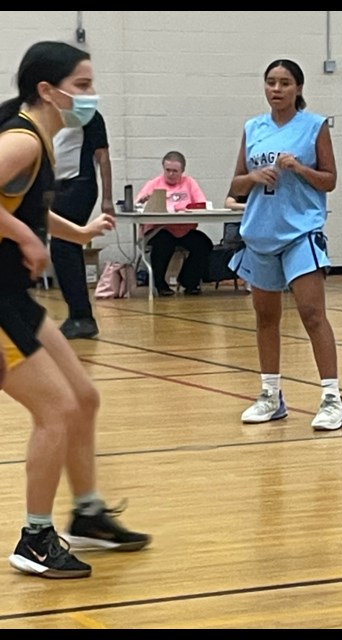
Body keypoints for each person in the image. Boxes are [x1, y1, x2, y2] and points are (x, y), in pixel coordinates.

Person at [0, 40, 151, 580]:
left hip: (12, 293)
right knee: (56, 410)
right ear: (48, 90)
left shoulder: (35, 137)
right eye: (82, 87)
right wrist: (22, 235)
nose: (90, 97)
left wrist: (75, 231)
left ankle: (87, 513)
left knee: (82, 398)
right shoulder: (22, 140)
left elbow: (25, 204)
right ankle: (36, 538)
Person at [227, 58, 342, 432]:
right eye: (270, 82)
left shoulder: (314, 126)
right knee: (266, 318)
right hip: (261, 232)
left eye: (284, 83)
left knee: (312, 314)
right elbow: (235, 186)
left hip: (300, 231)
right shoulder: (253, 127)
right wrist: (252, 176)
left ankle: (332, 398)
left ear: (298, 88)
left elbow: (329, 181)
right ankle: (270, 395)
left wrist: (299, 169)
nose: (276, 89)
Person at [50, 108, 113, 339]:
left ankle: (81, 316)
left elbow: (103, 157)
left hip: (80, 184)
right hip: (56, 185)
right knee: (63, 246)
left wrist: (107, 198)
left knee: (63, 245)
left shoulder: (89, 115)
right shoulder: (49, 113)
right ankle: (78, 314)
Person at [135, 150, 212, 296]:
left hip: (184, 229)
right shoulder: (154, 183)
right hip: (160, 230)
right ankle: (160, 284)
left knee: (204, 244)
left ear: (182, 171)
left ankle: (189, 281)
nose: (170, 174)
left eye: (175, 171)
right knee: (163, 244)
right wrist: (144, 200)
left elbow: (201, 204)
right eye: (167, 170)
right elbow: (137, 205)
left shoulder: (189, 183)